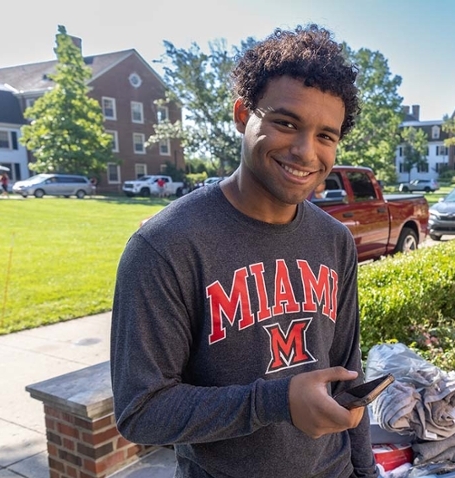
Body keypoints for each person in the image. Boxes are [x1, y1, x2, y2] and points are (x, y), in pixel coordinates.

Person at [110, 25, 376, 478]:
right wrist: (273, 401)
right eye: (285, 122)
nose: (304, 151)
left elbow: (348, 373)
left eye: (325, 136)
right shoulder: (165, 245)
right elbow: (141, 410)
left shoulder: (335, 240)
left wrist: (365, 471)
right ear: (242, 114)